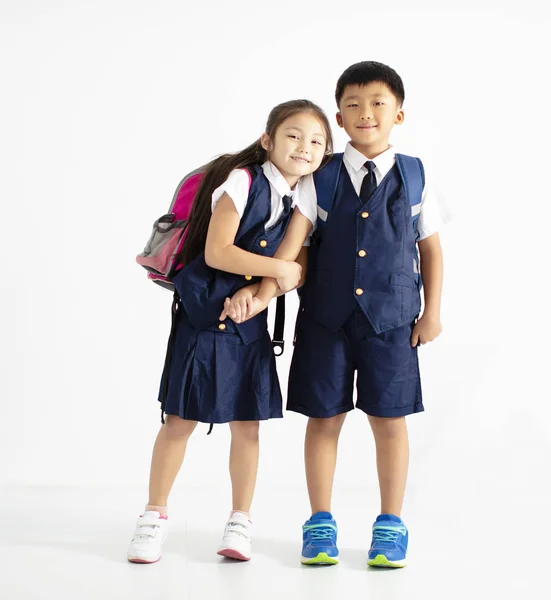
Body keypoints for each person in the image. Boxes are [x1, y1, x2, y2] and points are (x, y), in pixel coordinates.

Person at [127, 99, 333, 564]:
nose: (305, 147)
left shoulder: (305, 197)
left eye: (317, 141)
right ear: (268, 140)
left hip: (248, 322)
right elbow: (220, 252)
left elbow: (296, 271)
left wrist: (259, 295)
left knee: (247, 424)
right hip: (201, 317)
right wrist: (277, 268)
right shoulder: (241, 181)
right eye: (294, 135)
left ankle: (240, 521)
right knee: (179, 418)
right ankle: (153, 516)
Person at [287, 61, 448, 568]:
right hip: (325, 319)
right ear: (338, 116)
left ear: (399, 113)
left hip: (394, 320)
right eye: (353, 104)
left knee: (390, 421)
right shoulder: (321, 175)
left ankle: (390, 525)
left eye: (378, 102)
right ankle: (320, 524)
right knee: (323, 418)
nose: (366, 112)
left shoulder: (417, 174)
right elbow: (298, 244)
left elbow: (432, 251)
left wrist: (432, 313)